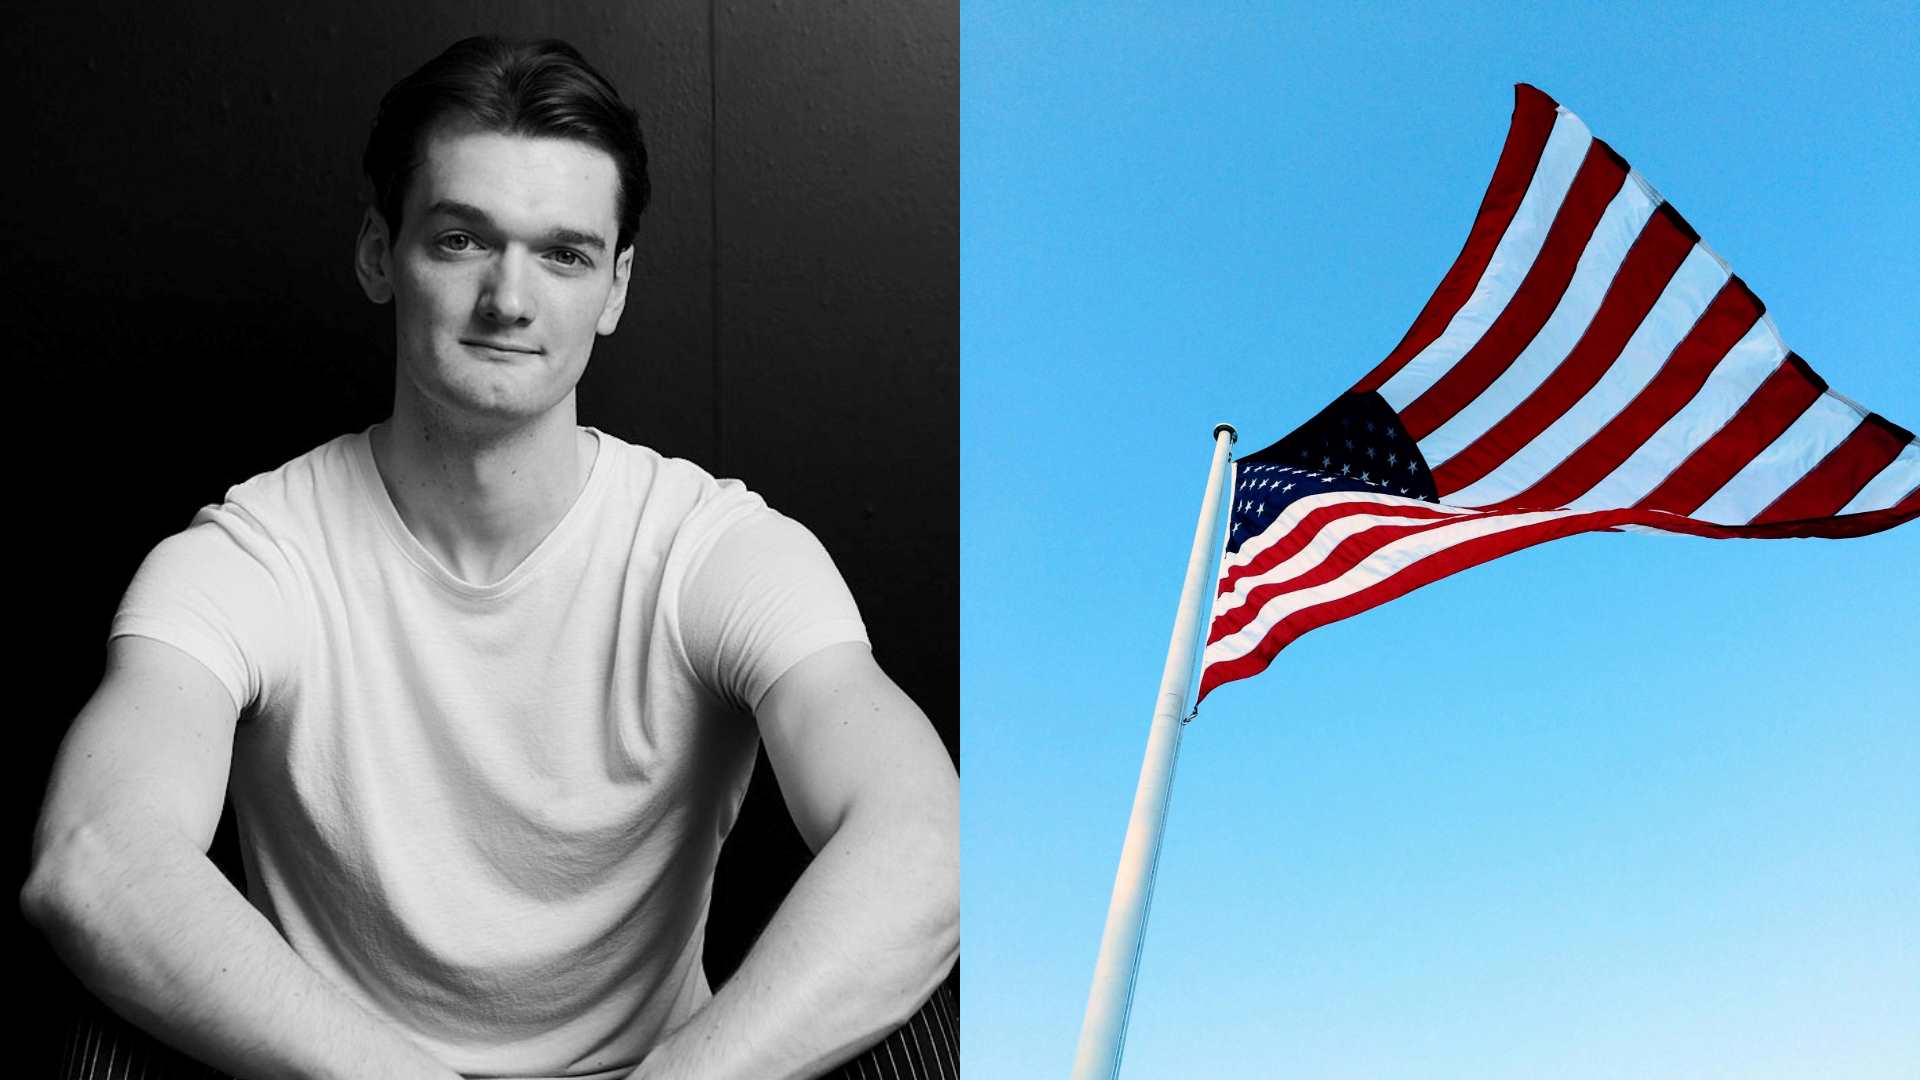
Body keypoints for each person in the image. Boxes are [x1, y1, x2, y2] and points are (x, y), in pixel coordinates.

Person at [21, 35, 958, 1080]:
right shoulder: (253, 555)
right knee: (100, 1030)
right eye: (463, 239)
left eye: (564, 254)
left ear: (614, 288)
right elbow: (96, 860)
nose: (510, 299)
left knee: (928, 1011)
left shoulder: (711, 549)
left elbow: (928, 845)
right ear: (381, 253)